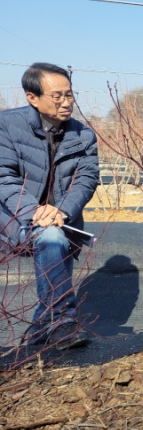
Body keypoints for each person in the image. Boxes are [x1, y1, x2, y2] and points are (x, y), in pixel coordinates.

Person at [0, 63, 99, 350]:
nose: (67, 102)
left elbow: (87, 180)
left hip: (62, 219)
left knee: (53, 281)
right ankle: (64, 322)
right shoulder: (7, 126)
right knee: (51, 238)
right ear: (32, 97)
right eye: (57, 96)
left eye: (70, 95)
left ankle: (36, 344)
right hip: (15, 216)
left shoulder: (84, 135)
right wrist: (35, 212)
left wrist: (60, 211)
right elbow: (4, 176)